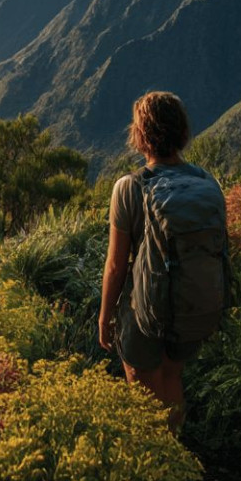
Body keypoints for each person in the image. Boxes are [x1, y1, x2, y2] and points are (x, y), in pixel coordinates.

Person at [98, 90, 226, 431]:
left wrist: (104, 317)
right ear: (182, 131)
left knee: (143, 398)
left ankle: (159, 460)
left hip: (144, 311)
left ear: (141, 135)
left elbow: (115, 265)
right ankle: (177, 451)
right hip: (190, 305)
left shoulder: (129, 187)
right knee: (171, 378)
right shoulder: (205, 181)